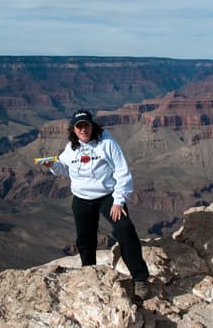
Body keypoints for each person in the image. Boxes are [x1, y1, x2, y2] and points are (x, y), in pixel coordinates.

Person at [41, 109, 150, 299]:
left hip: (107, 196)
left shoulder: (107, 144)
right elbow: (66, 170)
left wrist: (119, 201)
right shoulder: (71, 148)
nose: (83, 129)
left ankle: (140, 278)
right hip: (82, 199)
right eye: (79, 126)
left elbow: (122, 173)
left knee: (124, 229)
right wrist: (52, 166)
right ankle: (88, 272)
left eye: (86, 125)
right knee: (85, 239)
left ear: (92, 126)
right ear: (74, 130)